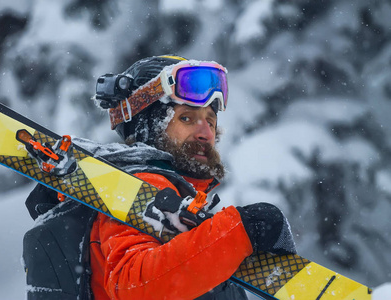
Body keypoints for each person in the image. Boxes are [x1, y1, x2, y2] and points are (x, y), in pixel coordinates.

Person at [23, 55, 296, 300]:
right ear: (147, 127)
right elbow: (134, 286)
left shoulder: (184, 209)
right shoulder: (137, 185)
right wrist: (242, 229)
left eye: (210, 121)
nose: (205, 133)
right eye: (187, 118)